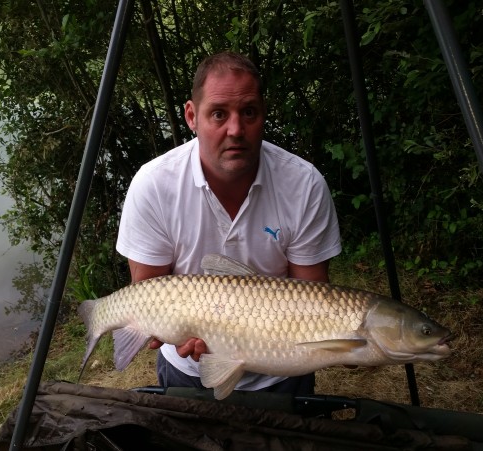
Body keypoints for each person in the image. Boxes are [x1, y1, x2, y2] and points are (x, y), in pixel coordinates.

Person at [116, 51, 342, 395]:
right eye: (219, 114)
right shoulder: (154, 184)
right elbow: (146, 294)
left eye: (248, 112)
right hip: (187, 369)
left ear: (263, 113)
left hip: (281, 371)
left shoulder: (304, 184)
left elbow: (315, 301)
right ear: (192, 116)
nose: (235, 130)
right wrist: (173, 332)